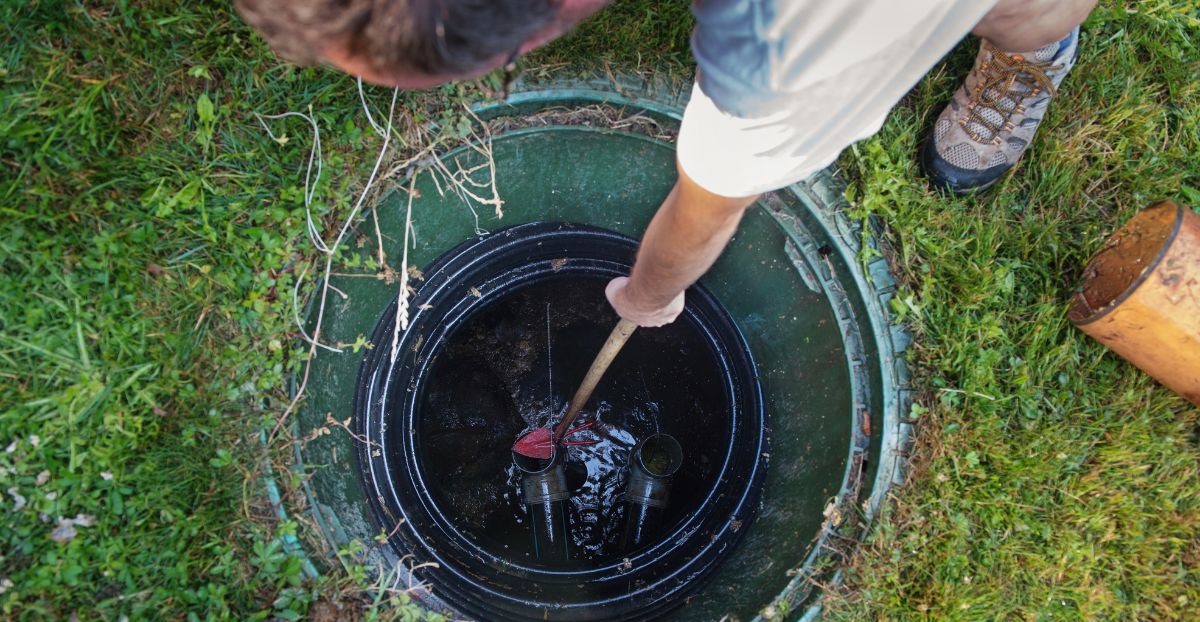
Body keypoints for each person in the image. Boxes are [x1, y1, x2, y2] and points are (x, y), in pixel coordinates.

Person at [236, 0, 1096, 327]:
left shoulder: (781, 45)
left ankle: (1036, 41)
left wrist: (647, 295)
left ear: (542, 27)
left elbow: (713, 205)